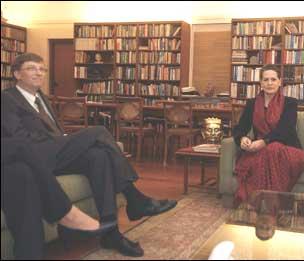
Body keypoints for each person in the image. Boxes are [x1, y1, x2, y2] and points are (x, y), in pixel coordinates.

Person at [1, 53, 177, 259]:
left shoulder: (42, 98)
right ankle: (135, 198)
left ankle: (111, 234)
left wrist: (63, 141)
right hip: (34, 154)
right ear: (16, 74)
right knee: (99, 131)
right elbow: (17, 137)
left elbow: (55, 131)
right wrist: (57, 143)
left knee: (98, 156)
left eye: (42, 69)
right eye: (32, 68)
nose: (39, 73)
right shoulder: (7, 99)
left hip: (54, 153)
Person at [232, 65, 304, 202]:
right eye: (266, 80)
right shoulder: (252, 104)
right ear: (260, 83)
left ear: (280, 81)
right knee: (269, 151)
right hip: (260, 149)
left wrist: (263, 142)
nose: (270, 83)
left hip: (288, 149)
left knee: (273, 149)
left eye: (273, 79)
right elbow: (240, 128)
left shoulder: (290, 103)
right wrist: (243, 138)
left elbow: (286, 130)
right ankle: (267, 203)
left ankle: (270, 203)